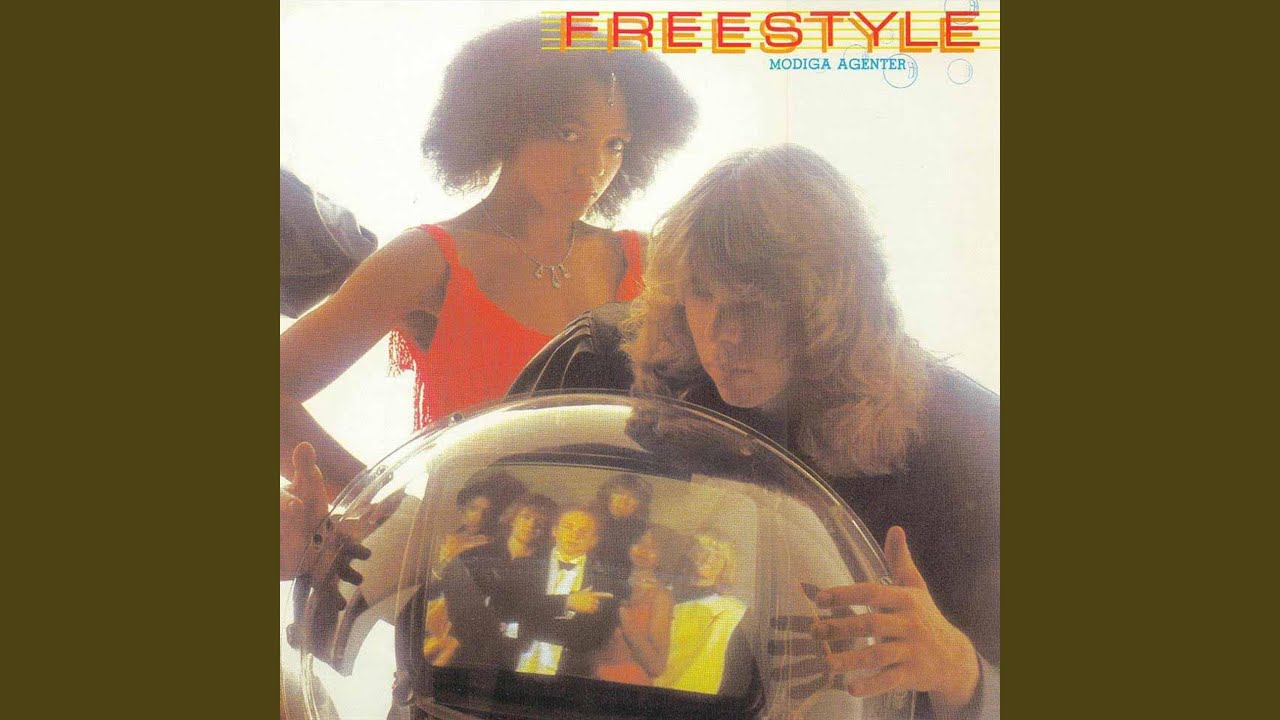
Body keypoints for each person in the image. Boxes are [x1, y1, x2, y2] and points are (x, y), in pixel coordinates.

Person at [508, 144, 1000, 719]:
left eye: (754, 304)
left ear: (833, 309)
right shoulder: (598, 360)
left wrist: (959, 670)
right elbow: (462, 535)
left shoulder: (967, 443)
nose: (724, 334)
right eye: (703, 294)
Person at [279, 17, 698, 492]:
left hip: (625, 533)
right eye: (569, 133)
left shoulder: (646, 262)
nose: (594, 167)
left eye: (614, 144)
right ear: (506, 122)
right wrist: (379, 504)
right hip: (471, 537)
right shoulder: (428, 261)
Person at [492, 507, 625, 678]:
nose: (574, 535)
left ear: (593, 540)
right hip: (510, 664)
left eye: (583, 532)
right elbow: (502, 611)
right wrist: (566, 602)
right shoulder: (522, 566)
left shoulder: (607, 583)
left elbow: (596, 639)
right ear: (554, 531)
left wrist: (528, 622)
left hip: (569, 673)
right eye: (568, 527)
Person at [436, 493, 560, 669]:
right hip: (466, 647)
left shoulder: (549, 569)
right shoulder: (474, 556)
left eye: (540, 522)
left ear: (547, 529)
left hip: (516, 654)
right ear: (513, 519)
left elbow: (538, 614)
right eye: (526, 517)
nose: (531, 525)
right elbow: (458, 609)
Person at [653, 531, 747, 694]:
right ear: (688, 554)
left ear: (725, 567)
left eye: (717, 556)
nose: (708, 559)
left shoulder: (732, 612)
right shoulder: (656, 595)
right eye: (702, 550)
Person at [593, 528, 673, 685]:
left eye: (653, 547)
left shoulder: (660, 596)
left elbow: (657, 667)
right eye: (638, 543)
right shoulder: (605, 583)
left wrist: (624, 615)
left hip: (629, 682)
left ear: (661, 555)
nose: (644, 550)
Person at [589, 473, 653, 569]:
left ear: (640, 504)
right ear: (608, 495)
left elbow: (645, 562)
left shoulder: (641, 528)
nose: (624, 501)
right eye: (620, 493)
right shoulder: (589, 517)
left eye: (633, 497)